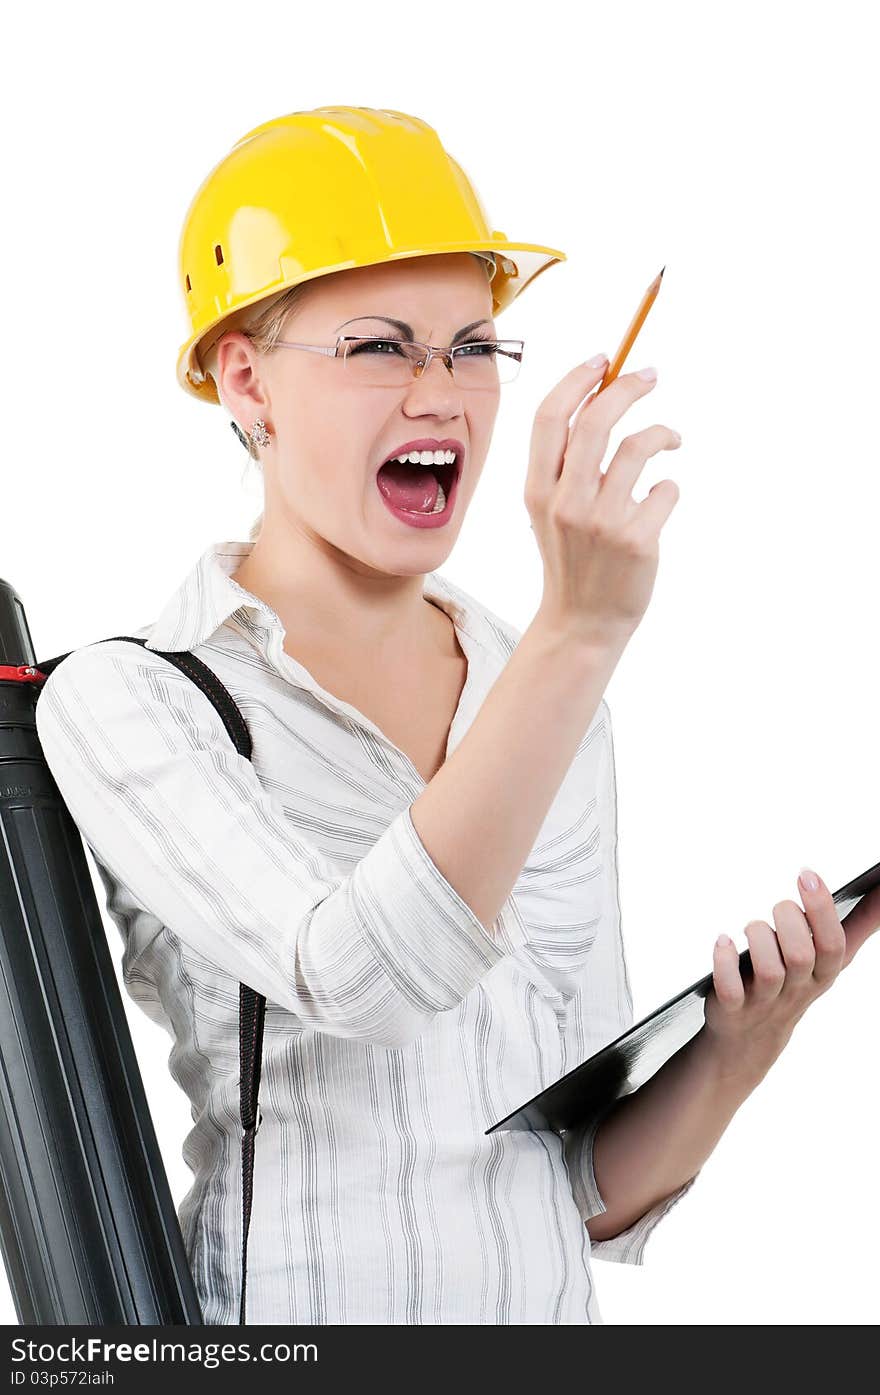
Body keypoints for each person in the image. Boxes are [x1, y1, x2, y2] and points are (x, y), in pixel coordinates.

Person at [34, 108, 880, 1326]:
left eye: (474, 346)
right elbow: (362, 977)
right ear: (244, 376)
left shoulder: (536, 687)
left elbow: (570, 1177)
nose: (443, 396)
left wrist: (750, 1040)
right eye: (381, 346)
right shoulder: (134, 702)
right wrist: (578, 632)